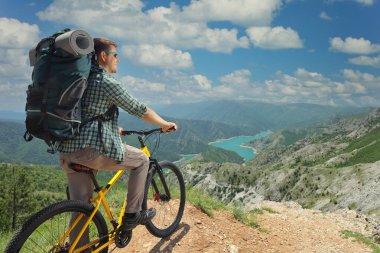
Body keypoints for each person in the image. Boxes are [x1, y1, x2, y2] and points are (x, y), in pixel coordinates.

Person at [58, 37, 177, 233]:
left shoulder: (79, 79)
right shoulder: (105, 81)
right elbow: (138, 108)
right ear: (103, 56)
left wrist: (112, 128)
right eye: (115, 55)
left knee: (81, 209)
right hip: (91, 152)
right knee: (141, 160)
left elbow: (87, 112)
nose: (118, 59)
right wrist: (164, 124)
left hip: (67, 151)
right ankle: (132, 215)